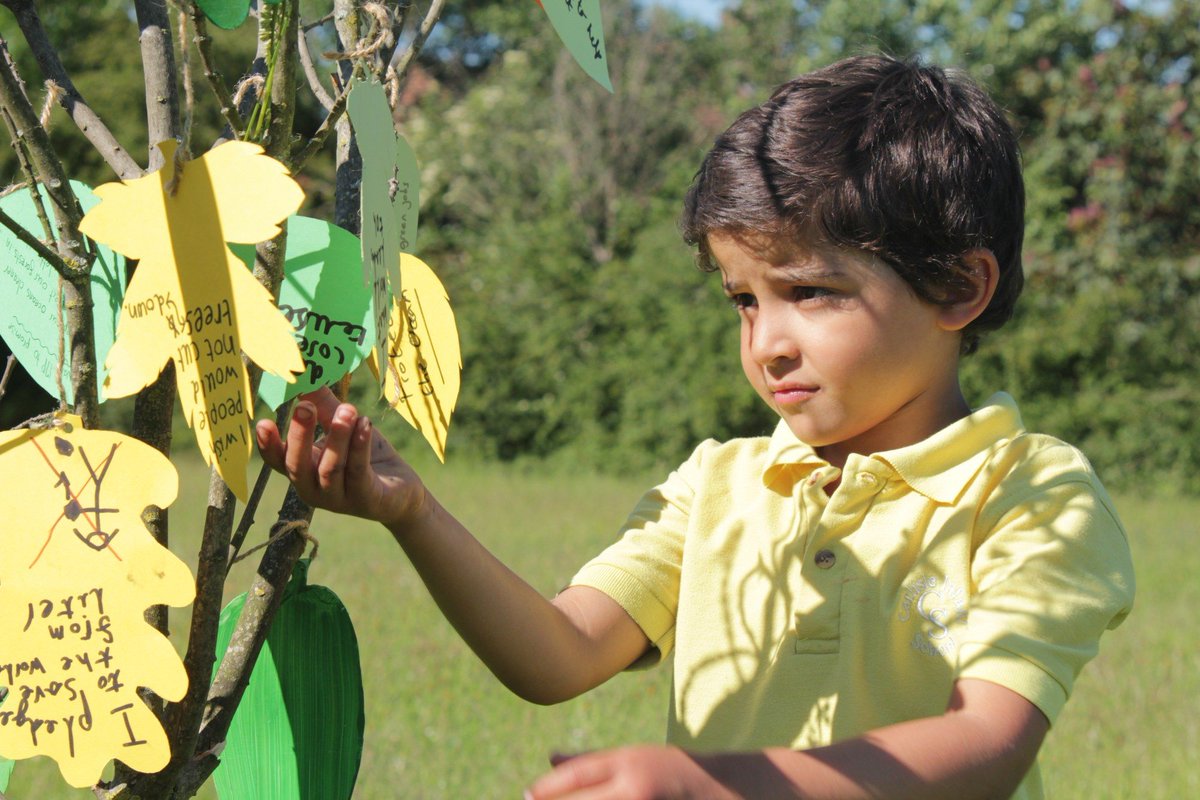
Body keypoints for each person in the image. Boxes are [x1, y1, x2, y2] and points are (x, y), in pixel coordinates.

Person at [256, 54, 1134, 799]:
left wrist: (710, 783)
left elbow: (988, 740)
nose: (768, 343)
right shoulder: (716, 487)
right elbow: (559, 655)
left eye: (812, 291)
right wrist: (414, 513)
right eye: (744, 300)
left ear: (958, 287)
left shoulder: (1029, 494)